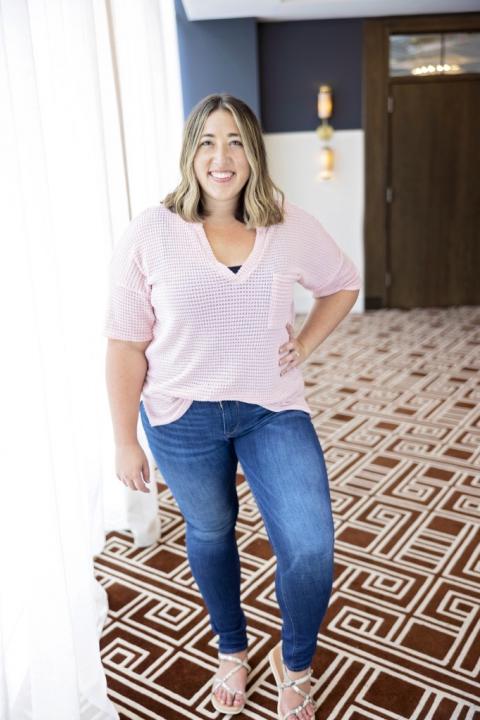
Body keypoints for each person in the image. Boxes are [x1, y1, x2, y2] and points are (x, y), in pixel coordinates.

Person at [104, 92, 361, 720]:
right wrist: (123, 439)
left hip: (271, 407)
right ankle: (232, 648)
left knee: (309, 545)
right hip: (179, 414)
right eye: (208, 142)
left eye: (237, 141)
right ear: (191, 153)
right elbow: (126, 341)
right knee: (213, 531)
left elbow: (342, 283)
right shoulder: (152, 230)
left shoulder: (285, 222)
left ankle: (293, 662)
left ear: (254, 152)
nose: (223, 157)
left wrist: (302, 343)